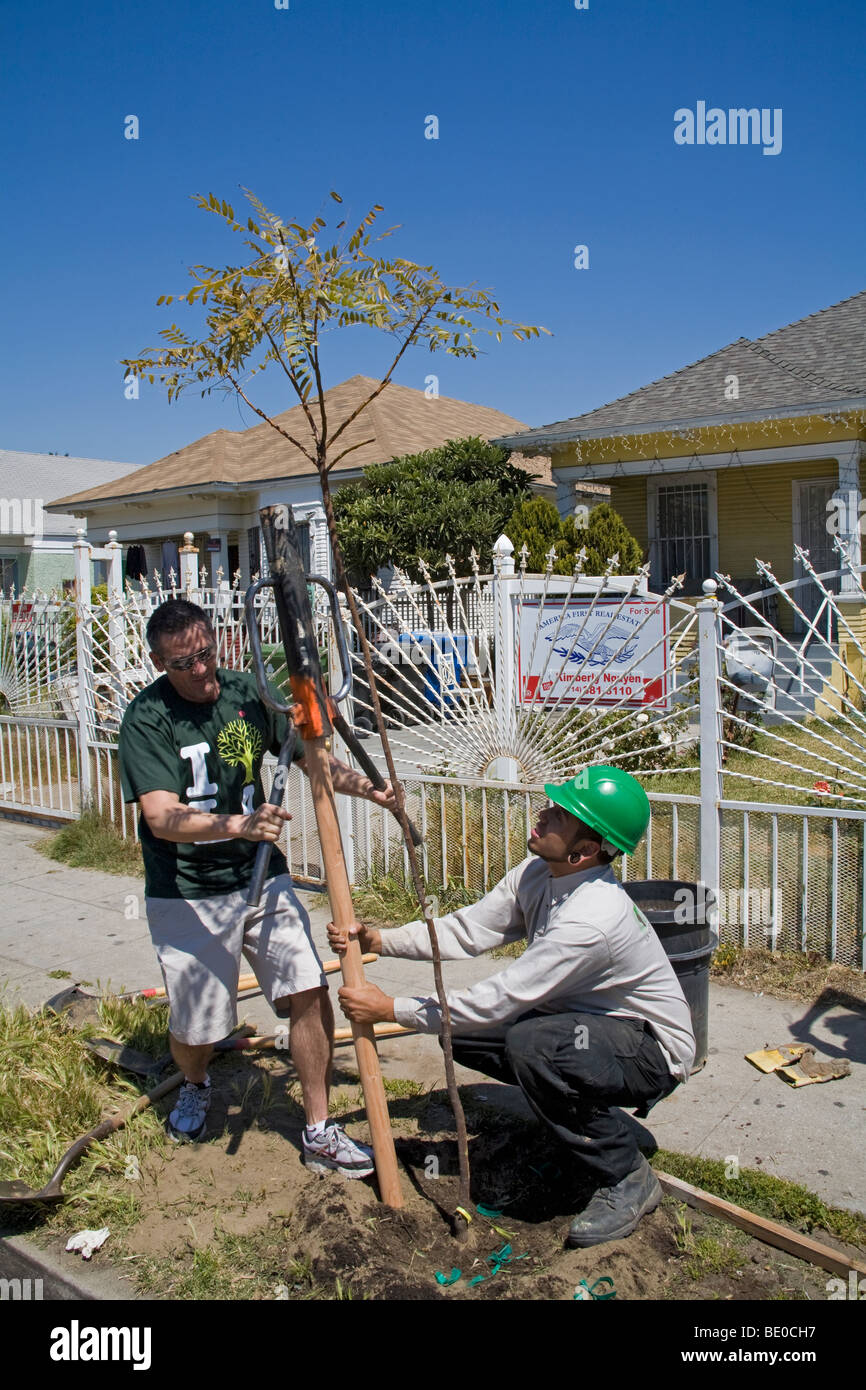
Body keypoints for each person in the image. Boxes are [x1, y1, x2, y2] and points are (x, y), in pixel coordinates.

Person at [330, 766, 696, 1244]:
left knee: (531, 1045)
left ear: (585, 851)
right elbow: (468, 931)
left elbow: (499, 998)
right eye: (552, 806)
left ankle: (626, 1175)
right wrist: (382, 938)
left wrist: (391, 1009)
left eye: (560, 817)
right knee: (461, 1032)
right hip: (592, 1026)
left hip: (649, 1051)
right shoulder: (539, 872)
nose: (542, 816)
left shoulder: (591, 920)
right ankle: (570, 1115)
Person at [118, 597, 396, 1178]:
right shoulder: (147, 719)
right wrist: (238, 824)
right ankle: (195, 1080)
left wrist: (365, 788)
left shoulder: (250, 695)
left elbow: (311, 764)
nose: (199, 671)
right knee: (198, 1026)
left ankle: (319, 1127)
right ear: (156, 662)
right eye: (181, 663)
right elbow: (162, 817)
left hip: (263, 879)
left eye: (204, 654)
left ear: (216, 642)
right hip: (188, 891)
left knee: (307, 988)